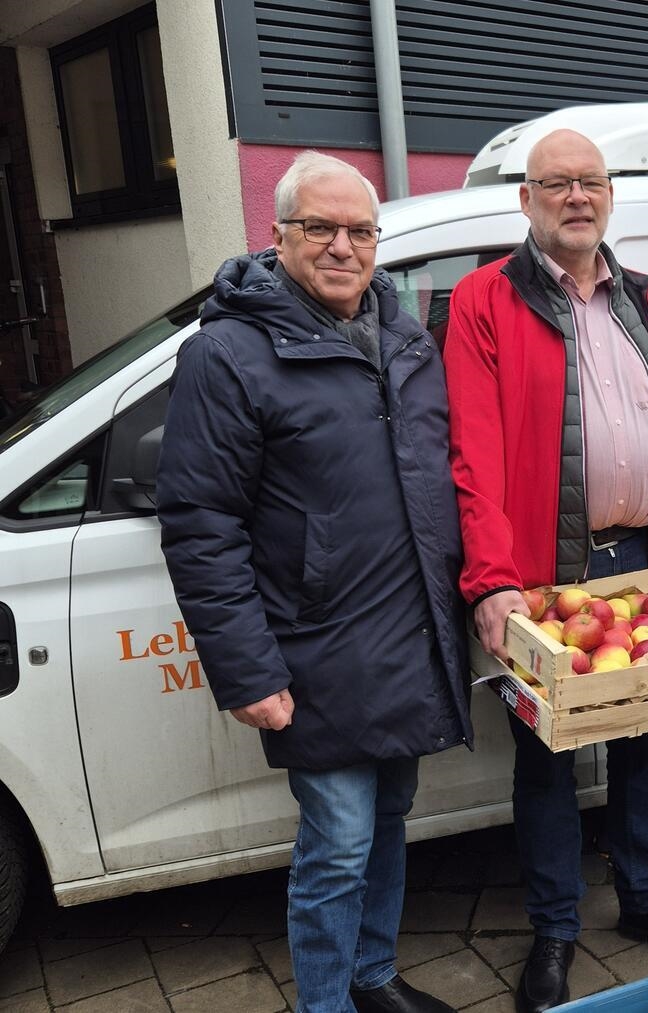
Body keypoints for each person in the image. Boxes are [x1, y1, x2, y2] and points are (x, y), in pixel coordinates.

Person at [444, 129, 648, 1012]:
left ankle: (645, 897)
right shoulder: (483, 302)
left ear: (610, 195)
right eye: (557, 184)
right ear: (526, 200)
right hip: (543, 578)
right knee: (546, 761)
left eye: (591, 182)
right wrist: (490, 579)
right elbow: (470, 453)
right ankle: (555, 927)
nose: (576, 197)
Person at [157, 151, 470, 1013]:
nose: (344, 247)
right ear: (279, 235)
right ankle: (324, 1004)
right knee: (336, 841)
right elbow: (199, 524)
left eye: (360, 230)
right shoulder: (227, 354)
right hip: (314, 647)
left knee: (392, 817)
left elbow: (433, 477)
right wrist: (248, 670)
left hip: (406, 635)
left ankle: (371, 975)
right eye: (320, 229)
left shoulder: (401, 330)